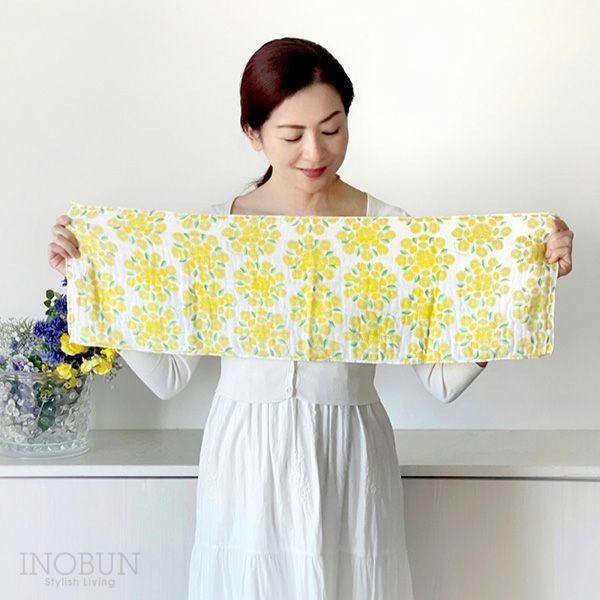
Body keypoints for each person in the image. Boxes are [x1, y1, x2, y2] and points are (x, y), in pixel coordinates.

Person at [47, 37, 574, 600]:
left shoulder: (390, 230)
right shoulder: (214, 234)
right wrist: (90, 279)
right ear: (253, 133)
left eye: (332, 128)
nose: (315, 152)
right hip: (245, 456)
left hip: (350, 455)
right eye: (292, 135)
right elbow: (168, 376)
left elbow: (442, 381)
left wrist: (522, 285)